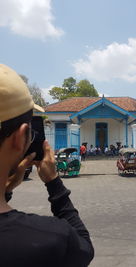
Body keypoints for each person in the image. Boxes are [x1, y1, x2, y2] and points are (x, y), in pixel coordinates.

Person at [0, 64, 94, 267]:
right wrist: (53, 182)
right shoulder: (48, 238)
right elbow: (84, 248)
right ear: (20, 137)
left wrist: (5, 190)